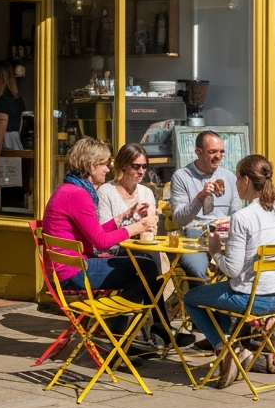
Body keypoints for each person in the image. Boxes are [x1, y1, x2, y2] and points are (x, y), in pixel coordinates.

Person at [41, 138, 193, 347]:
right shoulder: (79, 195)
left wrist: (122, 218)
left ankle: (126, 332)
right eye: (105, 163)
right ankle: (116, 333)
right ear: (91, 166)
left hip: (70, 267)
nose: (108, 168)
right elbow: (101, 242)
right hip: (74, 272)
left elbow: (94, 234)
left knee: (144, 268)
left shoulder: (69, 190)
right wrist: (137, 227)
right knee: (146, 267)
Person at [184, 154, 275, 388]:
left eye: (237, 179)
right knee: (214, 295)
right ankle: (232, 348)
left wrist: (215, 251)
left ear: (246, 180)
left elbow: (231, 270)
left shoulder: (243, 217)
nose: (235, 185)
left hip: (252, 299)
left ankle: (226, 349)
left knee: (191, 298)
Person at [169, 131, 240, 282]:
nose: (218, 156)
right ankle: (202, 302)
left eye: (221, 152)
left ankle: (226, 303)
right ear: (198, 152)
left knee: (243, 266)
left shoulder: (229, 177)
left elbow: (236, 214)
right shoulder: (182, 176)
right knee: (198, 270)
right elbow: (180, 219)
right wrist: (200, 197)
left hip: (225, 235)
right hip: (195, 234)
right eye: (212, 152)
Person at [96, 144, 158, 253]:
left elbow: (151, 231)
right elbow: (103, 232)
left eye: (144, 166)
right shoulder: (106, 192)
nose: (141, 171)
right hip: (114, 252)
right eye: (135, 166)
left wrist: (152, 224)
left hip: (143, 249)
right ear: (123, 165)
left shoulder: (147, 193)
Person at [0, 61, 25, 194]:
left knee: (4, 195)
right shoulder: (18, 100)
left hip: (6, 154)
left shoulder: (2, 103)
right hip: (19, 150)